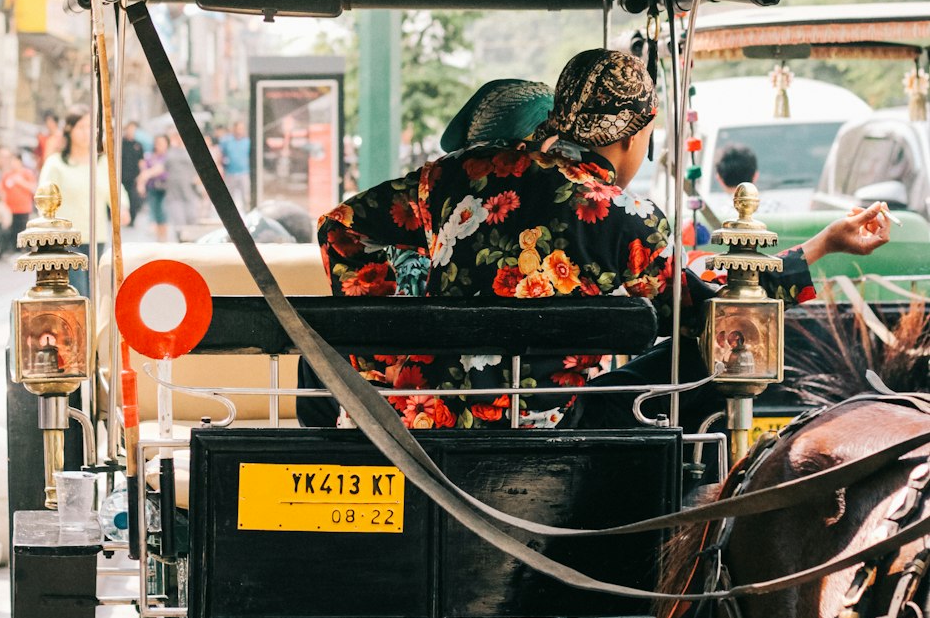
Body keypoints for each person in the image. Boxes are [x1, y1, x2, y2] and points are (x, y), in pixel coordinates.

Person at [316, 51, 890, 431]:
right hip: (546, 430)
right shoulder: (628, 219)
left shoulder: (457, 174)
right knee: (713, 351)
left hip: (423, 414)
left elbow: (340, 226)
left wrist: (385, 356)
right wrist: (822, 246)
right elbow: (714, 311)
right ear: (635, 135)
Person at [38, 110, 129, 295]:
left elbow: (116, 190)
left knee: (95, 292)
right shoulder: (56, 164)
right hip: (64, 239)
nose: (86, 132)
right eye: (81, 127)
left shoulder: (102, 163)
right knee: (77, 293)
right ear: (69, 130)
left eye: (90, 127)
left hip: (96, 237)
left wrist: (122, 209)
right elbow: (43, 199)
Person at [0, 149, 37, 250]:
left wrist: (20, 182)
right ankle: (13, 250)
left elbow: (33, 188)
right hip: (10, 209)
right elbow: (2, 190)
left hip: (23, 208)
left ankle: (24, 249)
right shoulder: (7, 175)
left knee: (23, 230)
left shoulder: (27, 173)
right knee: (13, 231)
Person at [138, 133, 170, 242]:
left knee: (163, 213)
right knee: (155, 212)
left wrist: (147, 174)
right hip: (152, 188)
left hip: (166, 189)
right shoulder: (150, 157)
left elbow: (159, 169)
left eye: (162, 143)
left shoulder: (169, 157)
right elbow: (143, 170)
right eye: (157, 143)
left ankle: (163, 239)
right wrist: (141, 184)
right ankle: (159, 239)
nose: (159, 145)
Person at [219, 120, 251, 212]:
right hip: (230, 172)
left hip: (243, 172)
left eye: (241, 129)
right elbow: (221, 154)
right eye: (237, 128)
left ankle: (247, 214)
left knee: (245, 197)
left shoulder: (247, 141)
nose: (239, 131)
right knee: (229, 197)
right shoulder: (226, 141)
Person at [121, 121, 145, 223]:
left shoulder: (138, 145)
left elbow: (141, 162)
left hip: (133, 177)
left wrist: (141, 177)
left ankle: (132, 218)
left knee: (132, 198)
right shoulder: (120, 143)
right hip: (120, 176)